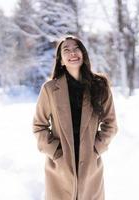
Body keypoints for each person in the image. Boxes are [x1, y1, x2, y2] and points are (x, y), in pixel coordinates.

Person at [32, 35, 118, 200]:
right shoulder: (49, 89)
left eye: (76, 48)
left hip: (91, 166)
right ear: (61, 60)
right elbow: (39, 126)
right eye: (66, 50)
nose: (72, 53)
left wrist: (96, 149)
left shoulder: (100, 85)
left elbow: (111, 124)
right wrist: (56, 153)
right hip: (59, 167)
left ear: (83, 54)